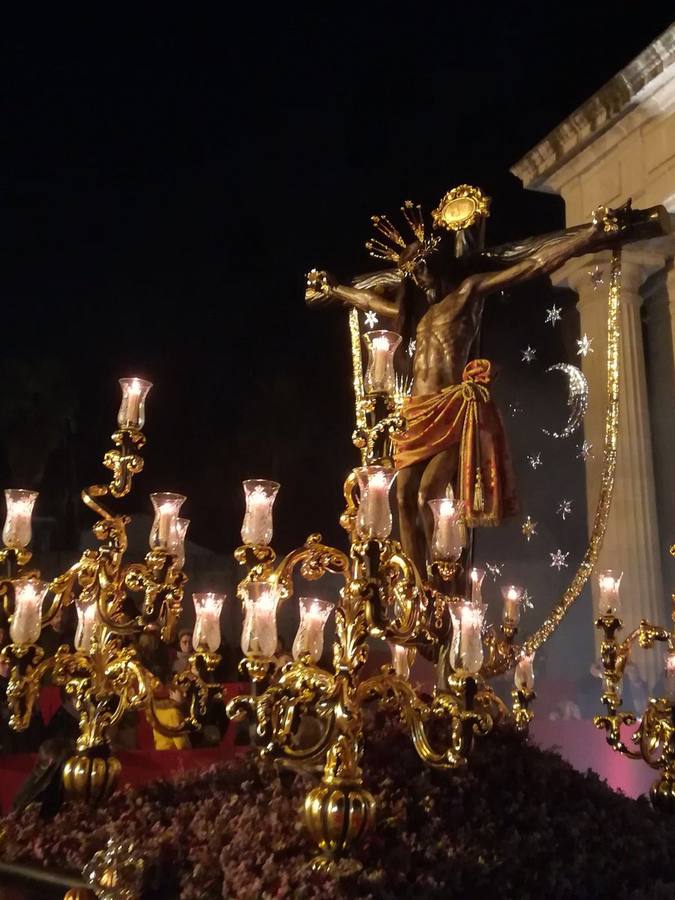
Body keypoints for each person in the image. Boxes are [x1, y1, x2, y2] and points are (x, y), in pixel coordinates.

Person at [306, 191, 652, 578]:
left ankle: (438, 582)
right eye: (412, 274)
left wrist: (589, 237)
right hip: (416, 412)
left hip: (452, 408)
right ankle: (418, 590)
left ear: (436, 265)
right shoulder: (415, 314)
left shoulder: (467, 294)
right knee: (401, 496)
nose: (419, 279)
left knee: (425, 496)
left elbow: (533, 264)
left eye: (422, 268)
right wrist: (335, 290)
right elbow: (370, 302)